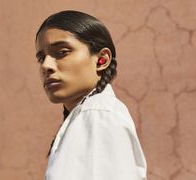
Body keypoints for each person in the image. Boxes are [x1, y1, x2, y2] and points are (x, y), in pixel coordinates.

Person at [35, 10, 147, 180]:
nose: (46, 66)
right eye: (41, 58)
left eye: (62, 52)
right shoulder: (88, 116)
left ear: (101, 60)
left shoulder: (97, 116)